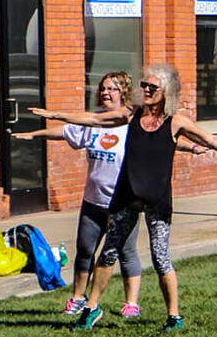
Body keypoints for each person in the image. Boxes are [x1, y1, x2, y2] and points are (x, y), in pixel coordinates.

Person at [29, 62, 217, 332]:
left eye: (152, 87)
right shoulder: (131, 114)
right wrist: (54, 114)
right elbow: (93, 119)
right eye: (144, 85)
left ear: (166, 91)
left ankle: (174, 316)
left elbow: (212, 140)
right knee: (108, 253)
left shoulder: (175, 122)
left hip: (157, 199)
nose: (145, 90)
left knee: (161, 257)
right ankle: (91, 308)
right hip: (127, 196)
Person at [13, 71, 145, 318]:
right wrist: (34, 135)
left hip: (124, 202)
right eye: (103, 88)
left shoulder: (132, 123)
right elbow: (65, 132)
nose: (105, 93)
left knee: (126, 252)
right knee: (85, 250)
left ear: (123, 92)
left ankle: (131, 303)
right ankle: (77, 298)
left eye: (112, 89)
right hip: (93, 201)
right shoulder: (92, 122)